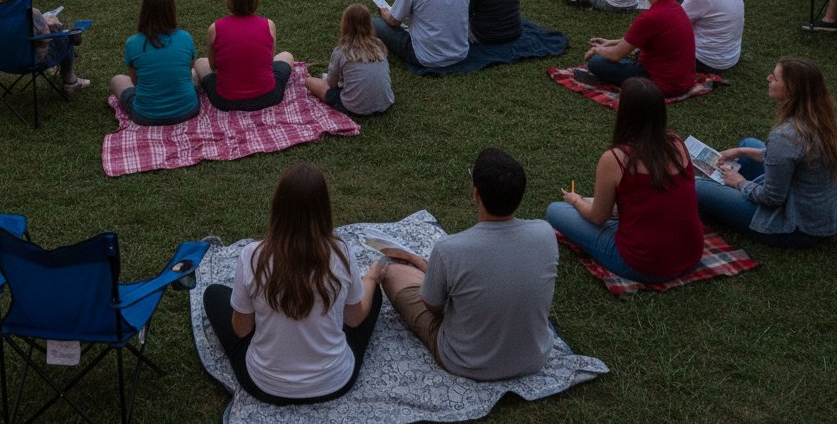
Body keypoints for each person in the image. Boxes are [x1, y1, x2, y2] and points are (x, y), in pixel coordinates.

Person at [203, 164, 383, 404]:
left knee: (214, 294)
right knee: (373, 293)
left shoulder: (252, 255)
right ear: (324, 210)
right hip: (335, 382)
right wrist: (371, 279)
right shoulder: (341, 253)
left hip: (265, 385)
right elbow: (354, 319)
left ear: (278, 208)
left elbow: (242, 330)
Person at [380, 148, 557, 381]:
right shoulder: (545, 233)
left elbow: (433, 306)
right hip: (533, 359)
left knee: (391, 272)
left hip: (466, 362)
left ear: (476, 194)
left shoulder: (449, 249)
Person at [547, 78, 704, 282]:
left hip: (642, 265)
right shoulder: (676, 143)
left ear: (626, 111)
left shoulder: (616, 159)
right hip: (691, 255)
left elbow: (597, 218)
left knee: (556, 210)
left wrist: (575, 200)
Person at [695, 57, 837, 247]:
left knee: (695, 187)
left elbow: (771, 198)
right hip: (817, 214)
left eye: (775, 78)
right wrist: (741, 150)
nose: (768, 78)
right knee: (749, 143)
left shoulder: (786, 136)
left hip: (796, 225)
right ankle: (724, 189)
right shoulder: (822, 119)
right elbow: (794, 158)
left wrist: (740, 183)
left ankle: (722, 190)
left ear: (792, 89)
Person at [584, 0, 695, 96]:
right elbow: (643, 38)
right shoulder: (675, 6)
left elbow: (615, 55)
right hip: (683, 80)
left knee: (597, 62)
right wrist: (612, 42)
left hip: (660, 84)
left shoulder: (650, 17)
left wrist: (597, 50)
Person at [194, 0, 294, 111]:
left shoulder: (215, 28)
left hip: (226, 101)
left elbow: (213, 67)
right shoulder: (269, 25)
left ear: (229, 0)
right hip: (268, 97)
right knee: (286, 56)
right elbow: (269, 61)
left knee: (200, 62)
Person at [109, 0, 199, 126]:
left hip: (146, 115)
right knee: (193, 74)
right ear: (172, 11)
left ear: (144, 12)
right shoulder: (185, 37)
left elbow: (135, 82)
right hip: (188, 110)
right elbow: (188, 69)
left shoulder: (133, 43)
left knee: (117, 80)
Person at [305, 4, 394, 116]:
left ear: (345, 25)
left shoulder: (341, 51)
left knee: (309, 81)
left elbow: (331, 83)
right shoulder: (379, 46)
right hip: (385, 102)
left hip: (354, 106)